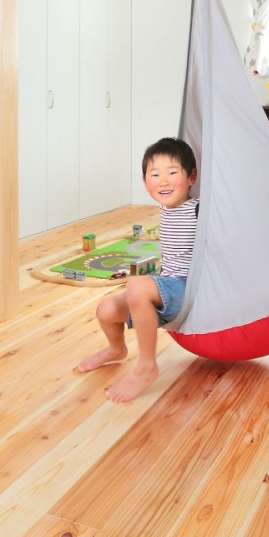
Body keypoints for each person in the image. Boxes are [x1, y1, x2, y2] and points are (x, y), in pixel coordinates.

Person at [77, 136, 198, 403]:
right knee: (107, 310)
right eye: (154, 174)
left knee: (136, 284)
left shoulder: (198, 209)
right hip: (166, 282)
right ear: (146, 184)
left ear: (191, 177)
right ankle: (116, 348)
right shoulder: (165, 207)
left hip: (187, 287)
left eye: (172, 172)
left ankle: (146, 366)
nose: (163, 181)